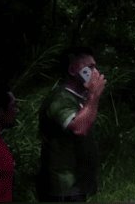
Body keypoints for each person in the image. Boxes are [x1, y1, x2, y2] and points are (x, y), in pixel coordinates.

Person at [37, 46, 107, 202]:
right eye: (90, 67)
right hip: (61, 187)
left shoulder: (78, 98)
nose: (95, 72)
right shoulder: (60, 98)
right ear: (73, 70)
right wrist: (94, 94)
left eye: (95, 66)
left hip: (76, 184)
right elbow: (79, 128)